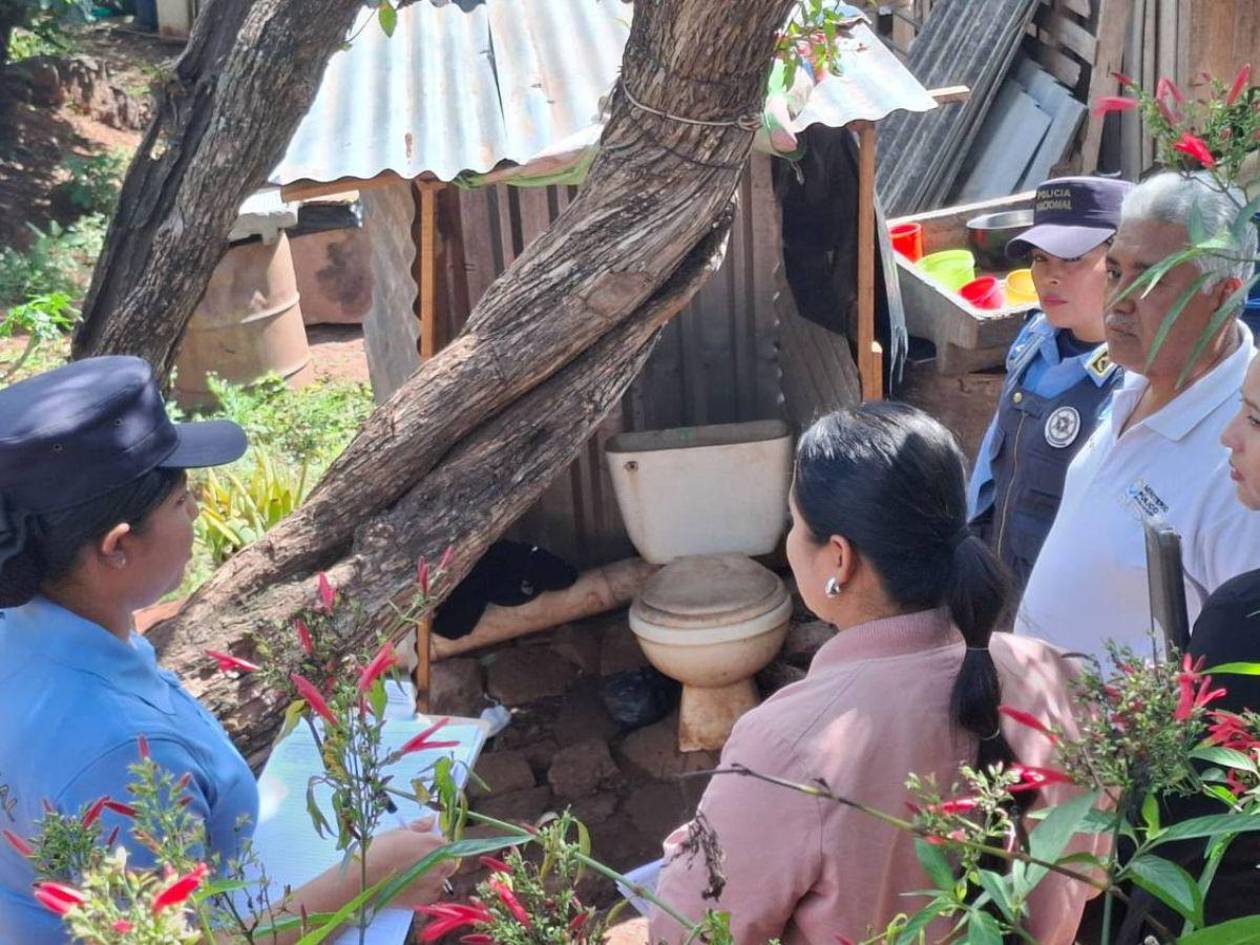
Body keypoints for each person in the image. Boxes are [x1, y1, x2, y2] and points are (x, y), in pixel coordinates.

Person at [0, 357, 454, 943]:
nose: (195, 511)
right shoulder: (125, 754)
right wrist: (367, 881)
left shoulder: (26, 630)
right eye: (179, 501)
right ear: (117, 546)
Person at [649, 404, 1096, 945]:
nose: (791, 540)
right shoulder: (1059, 676)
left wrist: (685, 853)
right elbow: (1091, 872)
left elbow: (688, 933)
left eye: (795, 522)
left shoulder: (786, 743)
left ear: (838, 558)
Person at [1014, 171, 1260, 660]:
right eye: (1114, 272)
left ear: (1225, 294)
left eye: (1149, 278)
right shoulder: (1135, 379)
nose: (1118, 300)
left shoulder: (1242, 463)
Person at [968, 176, 1132, 588]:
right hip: (999, 582)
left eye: (1072, 258)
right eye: (1041, 258)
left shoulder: (1135, 381)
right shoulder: (1033, 341)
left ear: (1122, 262)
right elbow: (992, 460)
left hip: (1063, 606)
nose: (1050, 277)